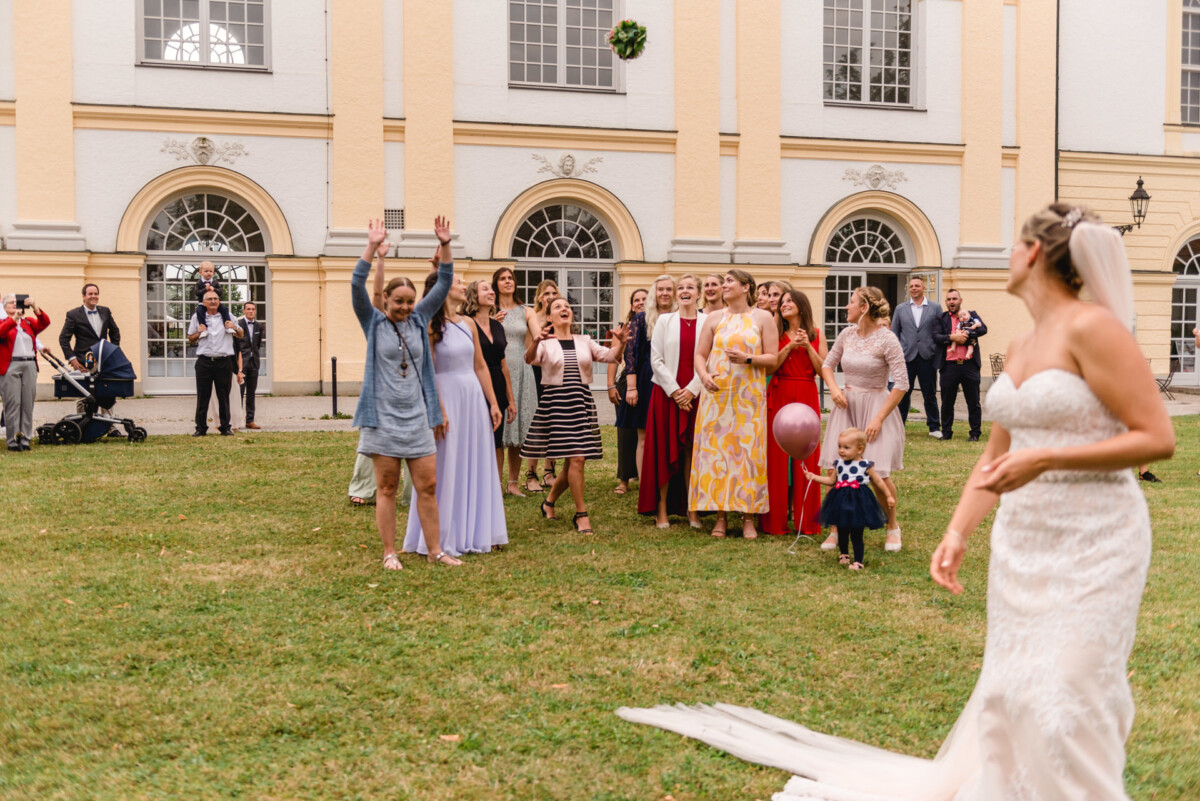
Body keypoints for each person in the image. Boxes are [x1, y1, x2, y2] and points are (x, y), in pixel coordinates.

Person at [618, 204, 1176, 801]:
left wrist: (1046, 461)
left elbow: (1156, 436)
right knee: (1012, 681)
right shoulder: (1021, 345)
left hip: (1096, 534)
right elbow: (994, 458)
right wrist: (957, 532)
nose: (1008, 255)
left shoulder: (1095, 330)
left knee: (1077, 681)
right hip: (1023, 536)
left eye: (1015, 245)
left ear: (1035, 255)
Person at [352, 216, 463, 569]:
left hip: (416, 418)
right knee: (386, 488)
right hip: (383, 419)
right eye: (398, 301)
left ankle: (435, 551)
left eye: (409, 301)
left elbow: (444, 282)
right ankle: (389, 552)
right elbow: (356, 283)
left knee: (427, 486)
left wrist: (445, 245)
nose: (404, 307)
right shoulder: (373, 323)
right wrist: (372, 247)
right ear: (385, 299)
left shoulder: (419, 320)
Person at [402, 272, 506, 557]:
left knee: (475, 460)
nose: (463, 286)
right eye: (458, 282)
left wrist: (493, 403)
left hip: (473, 398)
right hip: (445, 396)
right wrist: (438, 409)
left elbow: (480, 365)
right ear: (443, 289)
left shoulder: (468, 323)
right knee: (446, 465)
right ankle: (442, 535)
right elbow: (427, 369)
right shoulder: (429, 324)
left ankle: (477, 531)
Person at [523, 297, 628, 534]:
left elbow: (610, 356)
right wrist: (535, 340)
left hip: (580, 402)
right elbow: (529, 359)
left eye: (567, 306)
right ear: (549, 317)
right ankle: (581, 515)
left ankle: (549, 502)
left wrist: (621, 343)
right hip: (556, 404)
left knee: (573, 461)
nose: (564, 309)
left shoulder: (584, 340)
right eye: (558, 307)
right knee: (577, 459)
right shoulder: (545, 342)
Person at [690, 270, 779, 539]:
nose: (724, 285)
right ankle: (720, 517)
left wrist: (747, 358)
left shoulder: (762, 317)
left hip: (748, 398)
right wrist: (704, 376)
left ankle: (748, 517)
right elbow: (700, 354)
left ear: (746, 286)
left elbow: (773, 358)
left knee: (748, 455)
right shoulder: (715, 318)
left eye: (729, 281)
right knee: (718, 454)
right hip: (717, 397)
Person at [820, 286, 908, 552]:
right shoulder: (846, 335)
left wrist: (879, 419)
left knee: (878, 471)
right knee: (835, 470)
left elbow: (901, 383)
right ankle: (835, 530)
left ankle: (892, 528)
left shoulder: (887, 339)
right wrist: (834, 389)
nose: (846, 306)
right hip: (846, 407)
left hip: (876, 408)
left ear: (864, 308)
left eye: (851, 302)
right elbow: (827, 365)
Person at [638, 274, 705, 528]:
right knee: (664, 451)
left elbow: (711, 359)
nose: (685, 291)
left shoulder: (708, 322)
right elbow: (656, 360)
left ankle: (692, 509)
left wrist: (692, 390)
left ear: (698, 294)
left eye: (690, 287)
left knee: (692, 451)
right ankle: (662, 509)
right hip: (667, 394)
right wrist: (676, 392)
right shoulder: (665, 321)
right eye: (681, 288)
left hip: (697, 393)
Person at [760, 289, 826, 537]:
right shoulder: (775, 335)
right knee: (776, 457)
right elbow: (768, 369)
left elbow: (823, 370)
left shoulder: (817, 334)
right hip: (780, 393)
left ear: (801, 305)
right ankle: (774, 522)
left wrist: (808, 346)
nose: (783, 304)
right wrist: (789, 347)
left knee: (807, 455)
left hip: (806, 393)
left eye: (789, 301)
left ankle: (806, 521)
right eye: (782, 302)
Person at [803, 427, 894, 570]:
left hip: (859, 502)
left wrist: (888, 496)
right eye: (839, 446)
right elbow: (831, 481)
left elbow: (878, 481)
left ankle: (858, 561)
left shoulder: (865, 465)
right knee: (842, 530)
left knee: (856, 532)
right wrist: (814, 477)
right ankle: (844, 554)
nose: (841, 450)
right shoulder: (839, 464)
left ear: (859, 449)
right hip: (841, 501)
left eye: (846, 447)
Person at [624, 276, 676, 490]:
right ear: (655, 292)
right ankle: (645, 486)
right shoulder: (642, 318)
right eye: (660, 289)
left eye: (669, 289)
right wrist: (631, 387)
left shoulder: (681, 316)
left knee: (670, 435)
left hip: (675, 378)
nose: (664, 293)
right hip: (646, 380)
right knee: (644, 436)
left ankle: (672, 486)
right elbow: (631, 354)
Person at [493, 267, 541, 495]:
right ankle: (495, 484)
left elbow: (537, 335)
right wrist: (490, 322)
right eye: (502, 279)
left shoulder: (526, 311)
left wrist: (541, 337)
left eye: (510, 278)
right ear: (496, 284)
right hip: (496, 369)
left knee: (518, 427)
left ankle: (512, 483)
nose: (507, 281)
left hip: (521, 369)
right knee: (497, 431)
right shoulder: (489, 310)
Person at [465, 279, 518, 481]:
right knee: (475, 438)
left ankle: (495, 486)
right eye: (485, 289)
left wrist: (510, 399)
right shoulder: (465, 324)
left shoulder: (497, 326)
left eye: (491, 289)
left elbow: (504, 365)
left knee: (496, 439)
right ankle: (474, 482)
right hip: (474, 384)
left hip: (497, 383)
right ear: (474, 295)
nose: (492, 292)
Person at [59, 283, 122, 420]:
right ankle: (83, 425)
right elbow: (63, 339)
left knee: (107, 393)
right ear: (83, 296)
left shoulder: (105, 311)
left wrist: (112, 351)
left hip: (104, 361)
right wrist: (72, 359)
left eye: (96, 294)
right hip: (84, 362)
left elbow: (115, 332)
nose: (94, 296)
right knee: (85, 395)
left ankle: (108, 426)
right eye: (90, 294)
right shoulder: (73, 314)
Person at [891, 275, 943, 437]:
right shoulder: (900, 309)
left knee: (930, 394)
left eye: (917, 286)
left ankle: (934, 427)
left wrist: (935, 350)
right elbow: (894, 333)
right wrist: (898, 353)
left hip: (927, 356)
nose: (914, 288)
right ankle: (899, 426)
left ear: (923, 288)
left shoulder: (935, 307)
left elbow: (940, 331)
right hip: (906, 357)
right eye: (912, 286)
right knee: (903, 393)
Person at [187, 288, 243, 436]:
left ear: (219, 301)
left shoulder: (228, 316)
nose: (213, 301)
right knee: (203, 397)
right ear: (203, 302)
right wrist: (199, 332)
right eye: (210, 299)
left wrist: (234, 327)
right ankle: (200, 428)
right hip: (204, 362)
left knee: (224, 397)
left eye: (215, 299)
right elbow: (190, 338)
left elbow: (241, 334)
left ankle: (225, 427)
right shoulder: (197, 317)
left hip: (223, 362)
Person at [933, 289, 987, 442]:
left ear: (960, 300)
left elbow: (983, 329)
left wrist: (967, 334)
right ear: (946, 302)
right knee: (947, 402)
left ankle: (975, 433)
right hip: (949, 366)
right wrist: (952, 337)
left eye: (954, 299)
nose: (951, 302)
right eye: (949, 299)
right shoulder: (941, 318)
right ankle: (946, 432)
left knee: (973, 401)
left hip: (970, 365)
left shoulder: (971, 314)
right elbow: (936, 336)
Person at [609, 288, 647, 494]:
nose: (641, 302)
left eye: (644, 299)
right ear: (632, 305)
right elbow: (613, 358)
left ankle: (644, 475)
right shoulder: (623, 327)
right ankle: (624, 479)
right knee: (625, 433)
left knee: (645, 432)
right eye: (637, 300)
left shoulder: (656, 324)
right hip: (626, 381)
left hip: (648, 380)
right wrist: (611, 385)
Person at [1, 295, 50, 452]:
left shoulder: (27, 322)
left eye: (17, 303)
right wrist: (14, 318)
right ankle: (12, 440)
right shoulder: (3, 322)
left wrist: (35, 307)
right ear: (4, 307)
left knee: (28, 403)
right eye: (11, 303)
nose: (15, 305)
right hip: (11, 365)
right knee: (13, 403)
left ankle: (25, 438)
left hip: (29, 364)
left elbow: (44, 322)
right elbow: (1, 333)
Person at [528, 279, 561, 490]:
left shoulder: (560, 316)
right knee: (537, 423)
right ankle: (531, 474)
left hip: (555, 372)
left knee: (553, 423)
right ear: (539, 297)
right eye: (546, 293)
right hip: (535, 372)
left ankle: (549, 472)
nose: (550, 297)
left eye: (554, 293)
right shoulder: (532, 317)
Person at [237, 301, 264, 430]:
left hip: (254, 363)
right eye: (248, 309)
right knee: (239, 393)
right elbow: (236, 345)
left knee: (251, 393)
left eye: (253, 309)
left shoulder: (259, 326)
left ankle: (250, 420)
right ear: (244, 311)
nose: (251, 311)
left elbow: (258, 345)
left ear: (255, 311)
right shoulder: (238, 325)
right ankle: (237, 421)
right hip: (242, 363)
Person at [191, 261, 233, 336]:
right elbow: (197, 293)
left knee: (224, 309)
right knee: (199, 312)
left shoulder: (215, 282)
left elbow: (220, 292)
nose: (208, 273)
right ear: (200, 272)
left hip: (215, 304)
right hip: (202, 304)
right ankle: (203, 329)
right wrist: (205, 289)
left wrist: (214, 289)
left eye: (210, 271)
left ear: (213, 273)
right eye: (206, 271)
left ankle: (227, 325)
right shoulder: (199, 283)